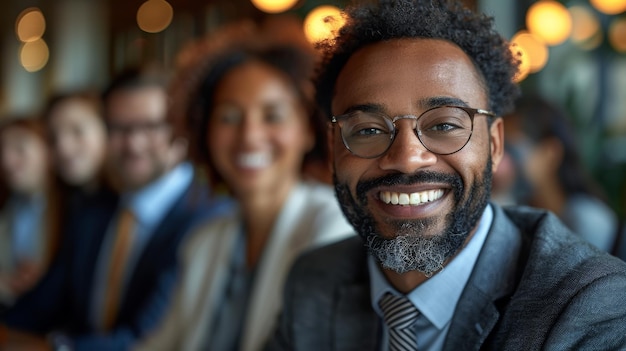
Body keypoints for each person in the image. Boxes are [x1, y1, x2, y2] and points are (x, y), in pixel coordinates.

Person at [267, 0, 626, 350]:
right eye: (368, 130)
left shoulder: (588, 305)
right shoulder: (314, 280)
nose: (407, 159)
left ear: (495, 144)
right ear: (333, 149)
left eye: (443, 124)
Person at [134, 22, 353, 351]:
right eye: (229, 117)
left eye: (273, 115)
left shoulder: (331, 227)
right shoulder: (203, 242)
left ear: (309, 129)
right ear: (204, 130)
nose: (249, 136)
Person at [0, 67, 232, 351]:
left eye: (151, 126)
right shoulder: (94, 210)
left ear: (180, 128)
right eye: (119, 128)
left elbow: (148, 337)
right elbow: (42, 305)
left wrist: (55, 348)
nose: (134, 143)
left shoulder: (209, 217)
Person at [503, 94, 618, 252]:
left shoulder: (587, 219)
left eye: (511, 149)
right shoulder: (515, 211)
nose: (501, 162)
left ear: (550, 154)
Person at [0, 117, 58, 309]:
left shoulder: (72, 208)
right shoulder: (10, 207)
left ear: (49, 150)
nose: (7, 161)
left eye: (20, 149)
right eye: (3, 151)